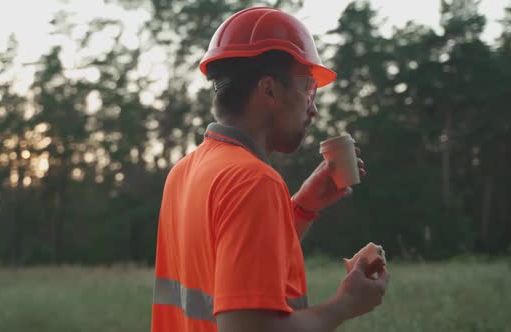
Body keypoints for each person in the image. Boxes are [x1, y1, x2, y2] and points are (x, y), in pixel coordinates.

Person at [151, 6, 389, 332]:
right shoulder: (254, 181)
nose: (313, 107)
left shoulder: (184, 171)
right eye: (307, 87)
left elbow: (231, 266)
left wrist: (303, 207)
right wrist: (346, 304)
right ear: (269, 90)